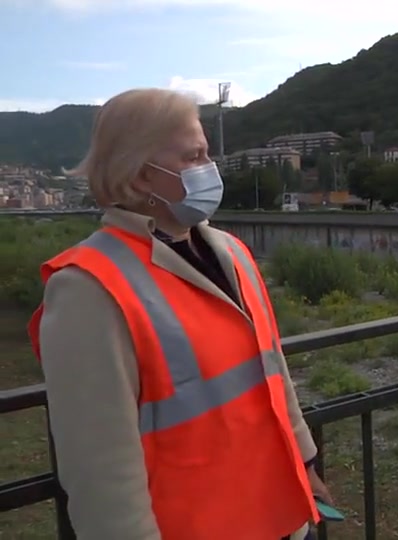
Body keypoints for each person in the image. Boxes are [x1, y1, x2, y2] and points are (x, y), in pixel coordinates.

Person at [28, 88, 333, 540]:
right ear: (141, 176)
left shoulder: (231, 253)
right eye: (193, 157)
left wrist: (303, 464)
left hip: (278, 514)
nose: (209, 169)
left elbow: (272, 371)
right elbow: (100, 467)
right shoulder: (88, 287)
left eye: (206, 153)